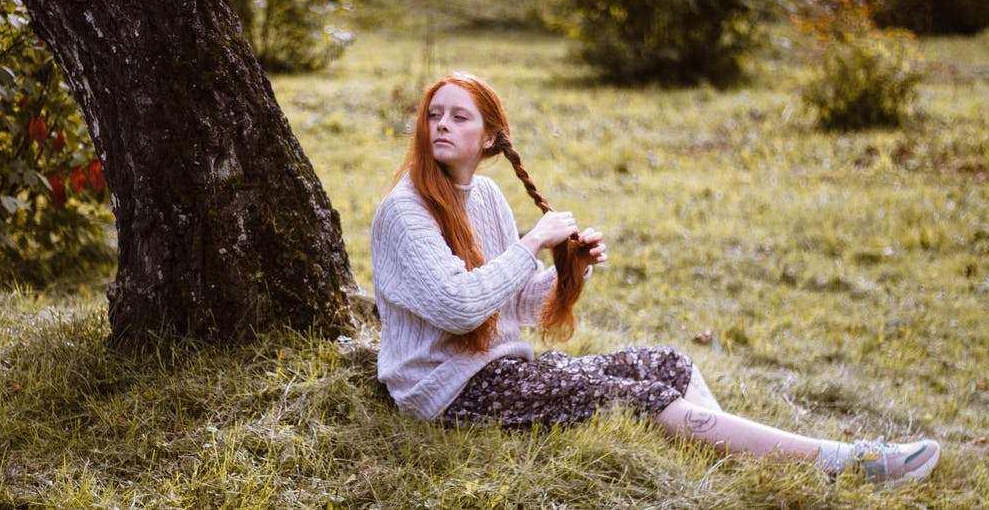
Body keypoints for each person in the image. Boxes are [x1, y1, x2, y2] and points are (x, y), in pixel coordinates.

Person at [370, 72, 940, 485]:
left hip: (501, 372)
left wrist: (571, 273)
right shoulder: (406, 209)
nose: (441, 124)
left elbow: (516, 302)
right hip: (448, 393)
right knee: (642, 397)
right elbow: (456, 307)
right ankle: (837, 461)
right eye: (434, 114)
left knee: (669, 363)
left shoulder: (485, 196)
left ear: (491, 138)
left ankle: (733, 467)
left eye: (458, 115)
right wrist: (531, 243)